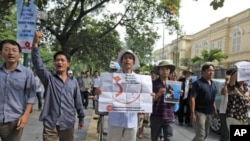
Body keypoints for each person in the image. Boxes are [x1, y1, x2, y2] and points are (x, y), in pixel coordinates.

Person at [32, 31, 85, 141]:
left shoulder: (73, 82)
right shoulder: (49, 79)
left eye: (62, 60)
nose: (59, 62)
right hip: (50, 122)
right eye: (57, 60)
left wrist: (81, 118)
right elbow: (38, 64)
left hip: (68, 122)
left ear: (68, 64)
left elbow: (78, 101)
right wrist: (36, 43)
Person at [95, 49, 141, 141]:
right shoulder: (111, 78)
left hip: (131, 120)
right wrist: (98, 92)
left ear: (133, 61)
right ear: (121, 61)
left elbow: (144, 97)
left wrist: (149, 95)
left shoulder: (140, 79)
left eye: (130, 58)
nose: (127, 60)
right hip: (115, 120)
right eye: (125, 58)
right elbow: (102, 95)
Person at [0, 39, 37, 141]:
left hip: (14, 120)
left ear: (19, 55)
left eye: (14, 50)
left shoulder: (27, 73)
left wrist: (25, 116)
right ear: (1, 53)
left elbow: (31, 96)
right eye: (6, 49)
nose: (10, 53)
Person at [190, 63, 218, 141]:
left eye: (213, 71)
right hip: (199, 112)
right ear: (203, 71)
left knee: (206, 133)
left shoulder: (213, 84)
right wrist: (192, 113)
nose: (211, 72)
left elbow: (212, 99)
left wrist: (215, 110)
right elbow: (192, 98)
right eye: (209, 70)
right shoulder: (197, 83)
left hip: (209, 113)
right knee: (200, 134)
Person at [151, 60, 176, 141]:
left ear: (169, 71)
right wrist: (158, 94)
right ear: (159, 71)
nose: (165, 71)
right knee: (154, 138)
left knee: (169, 139)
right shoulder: (153, 83)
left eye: (167, 69)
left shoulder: (174, 84)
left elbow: (175, 101)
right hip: (156, 116)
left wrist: (179, 94)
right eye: (162, 69)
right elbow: (150, 101)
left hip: (169, 116)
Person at [225, 68, 250, 133]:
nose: (243, 78)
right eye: (241, 75)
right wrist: (242, 68)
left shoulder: (246, 89)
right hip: (234, 116)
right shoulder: (232, 87)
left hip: (244, 117)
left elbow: (247, 103)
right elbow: (232, 80)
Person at [219, 68, 234, 141]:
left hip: (234, 112)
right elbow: (223, 93)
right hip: (224, 111)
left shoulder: (237, 86)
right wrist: (226, 82)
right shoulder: (223, 84)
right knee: (226, 132)